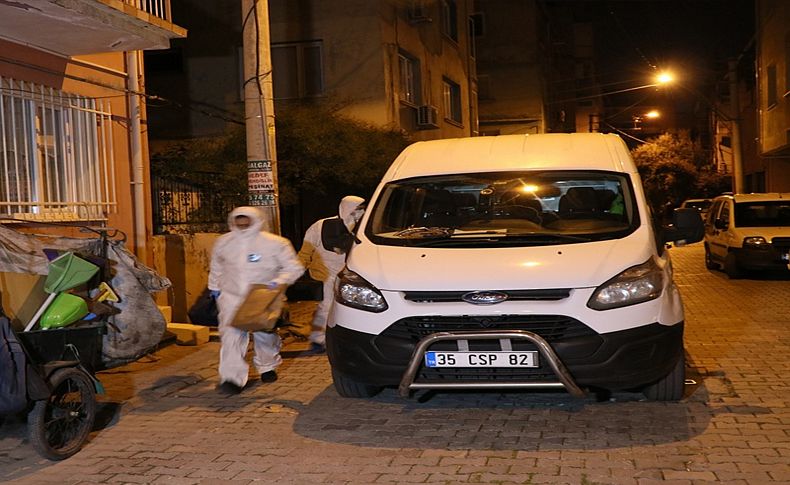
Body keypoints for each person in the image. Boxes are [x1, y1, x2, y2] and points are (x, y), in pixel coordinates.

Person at [208, 206, 304, 395]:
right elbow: (216, 266)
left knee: (264, 335)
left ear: (256, 220)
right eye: (238, 221)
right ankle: (232, 379)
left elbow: (294, 268)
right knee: (231, 338)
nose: (242, 224)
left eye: (246, 221)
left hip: (263, 299)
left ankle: (267, 365)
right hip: (231, 298)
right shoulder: (224, 242)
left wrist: (276, 283)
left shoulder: (275, 243)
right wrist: (214, 288)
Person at [298, 195, 365, 353]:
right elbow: (306, 251)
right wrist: (297, 270)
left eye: (361, 209)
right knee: (326, 307)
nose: (359, 213)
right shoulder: (320, 226)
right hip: (326, 274)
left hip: (352, 275)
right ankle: (318, 339)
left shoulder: (363, 228)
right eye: (357, 209)